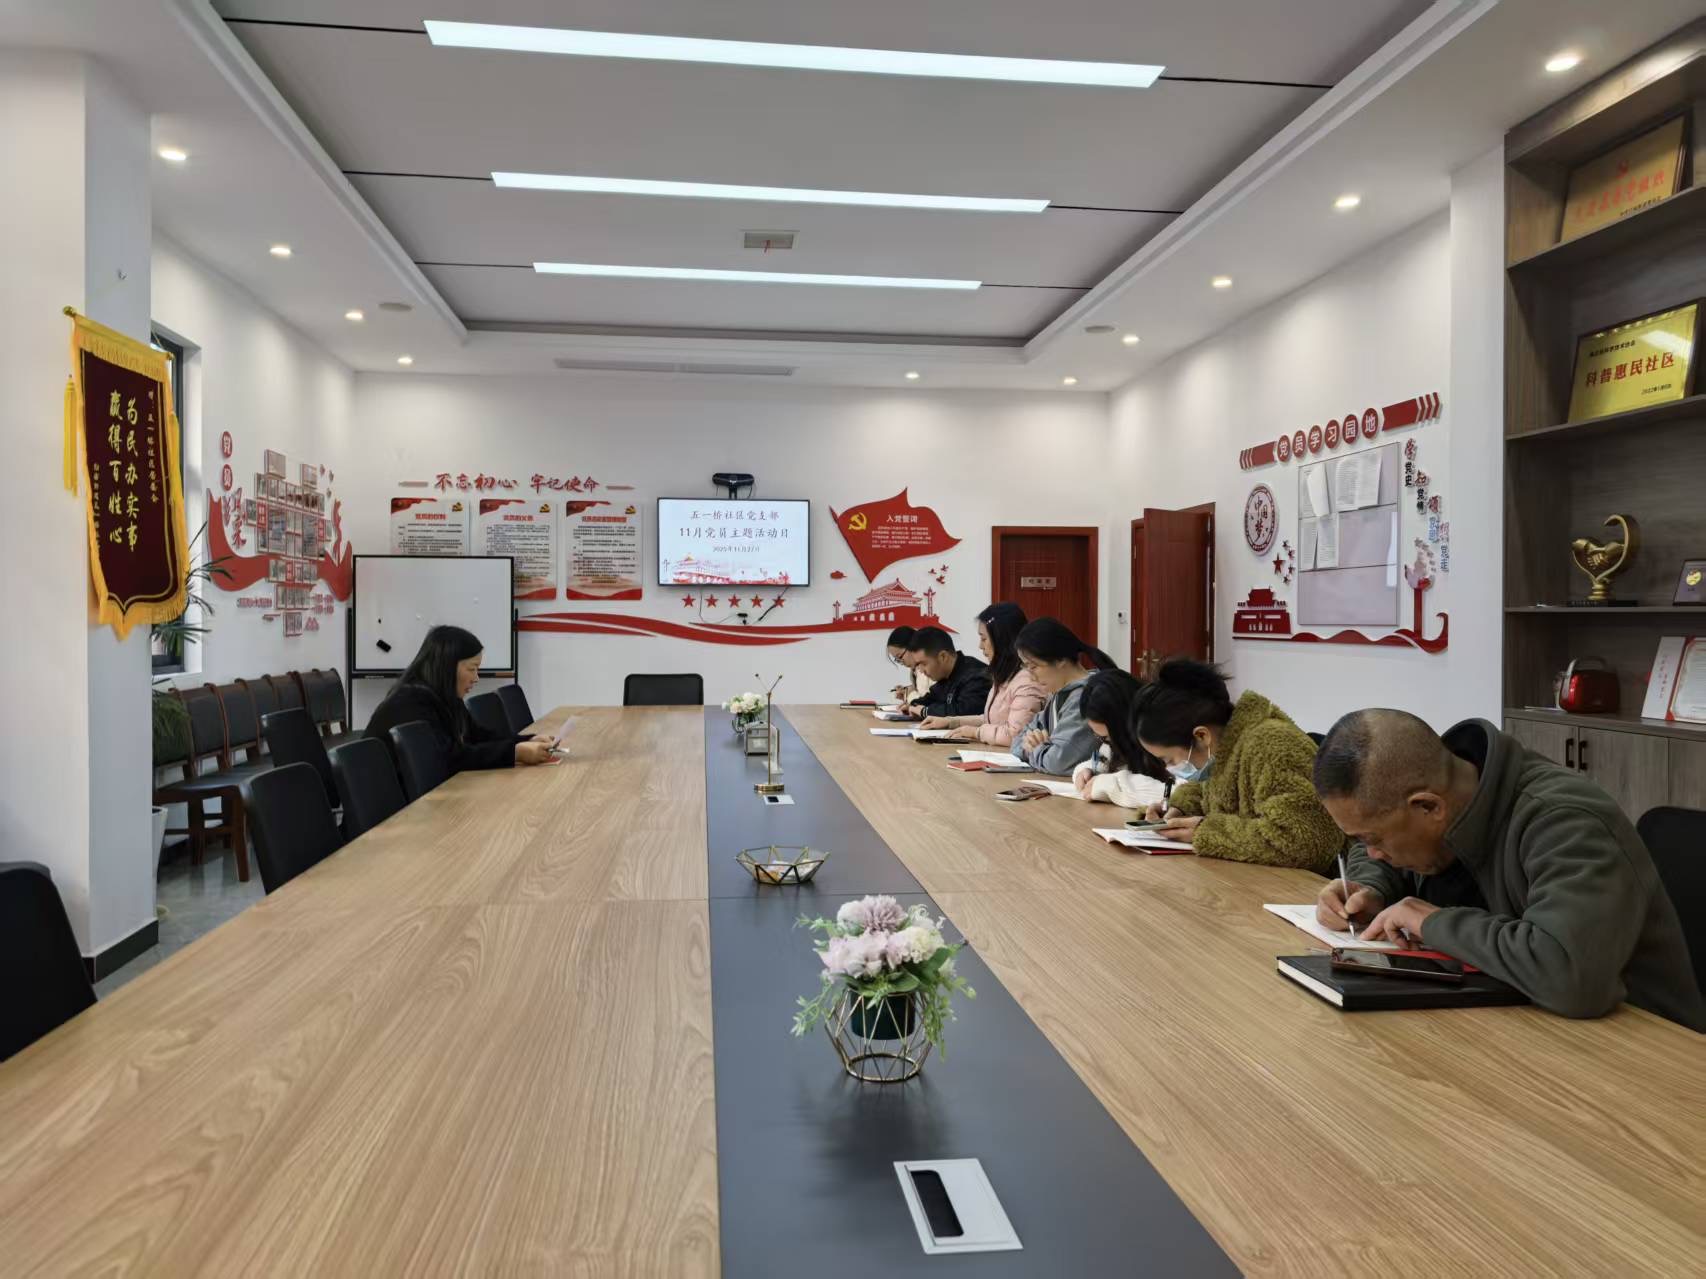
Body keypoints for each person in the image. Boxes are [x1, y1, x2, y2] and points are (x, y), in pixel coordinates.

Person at [1312, 709, 1704, 1030]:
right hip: (1513, 1024)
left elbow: (1569, 977)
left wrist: (1432, 922)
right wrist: (1369, 886)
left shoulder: (1566, 820)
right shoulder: (1440, 799)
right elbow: (1379, 856)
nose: (1371, 852)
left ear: (1429, 806)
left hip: (1644, 1051)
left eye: (1373, 839)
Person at [1135, 659, 1344, 871]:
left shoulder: (1270, 746)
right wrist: (1178, 809)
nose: (1169, 768)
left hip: (1311, 884)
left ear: (1201, 736)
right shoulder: (1223, 748)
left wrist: (1207, 832)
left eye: (1169, 760)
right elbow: (1211, 791)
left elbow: (1305, 841)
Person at [365, 625, 557, 774]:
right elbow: (448, 758)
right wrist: (515, 753)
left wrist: (527, 740)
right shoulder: (410, 702)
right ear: (447, 667)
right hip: (395, 808)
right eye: (472, 669)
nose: (476, 678)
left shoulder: (445, 696)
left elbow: (478, 736)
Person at [918, 602, 1045, 746]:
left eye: (984, 639)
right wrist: (950, 722)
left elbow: (1015, 735)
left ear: (1001, 640)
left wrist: (976, 732)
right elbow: (990, 720)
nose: (980, 646)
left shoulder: (1027, 681)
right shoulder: (1005, 676)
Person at [1011, 618, 1116, 775]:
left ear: (1060, 660)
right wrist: (1040, 748)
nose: (1031, 677)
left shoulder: (1087, 697)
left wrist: (1036, 748)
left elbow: (1057, 762)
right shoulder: (1059, 694)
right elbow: (1017, 742)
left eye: (1033, 667)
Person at [1070, 669, 1171, 808]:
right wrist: (1087, 771)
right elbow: (1100, 761)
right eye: (1101, 738)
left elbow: (1177, 793)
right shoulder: (1113, 745)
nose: (1106, 743)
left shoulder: (1163, 738)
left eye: (1107, 737)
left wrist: (1113, 785)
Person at [898, 626, 991, 720]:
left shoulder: (976, 675)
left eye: (923, 664)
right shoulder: (946, 675)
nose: (921, 670)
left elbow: (965, 711)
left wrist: (925, 711)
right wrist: (912, 706)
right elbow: (930, 699)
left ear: (943, 656)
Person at [884, 625, 930, 705]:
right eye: (897, 660)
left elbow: (927, 702)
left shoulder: (930, 668)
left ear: (911, 646)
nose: (901, 662)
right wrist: (907, 691)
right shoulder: (915, 670)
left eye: (899, 657)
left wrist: (909, 695)